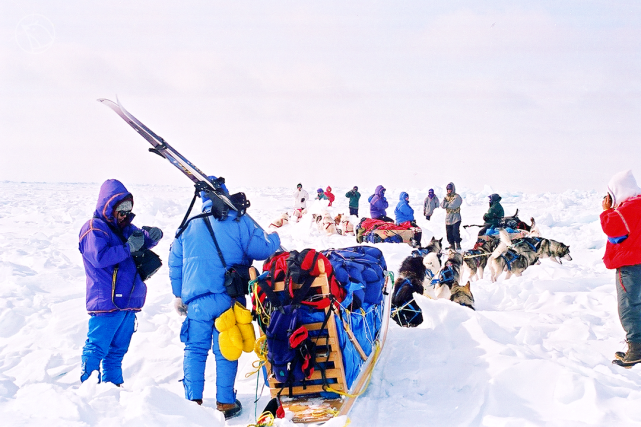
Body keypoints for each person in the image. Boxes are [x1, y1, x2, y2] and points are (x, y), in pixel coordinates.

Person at [168, 184, 280, 418]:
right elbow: (261, 250)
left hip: (196, 300)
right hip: (228, 298)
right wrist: (274, 238)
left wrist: (179, 294)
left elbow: (175, 263)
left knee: (195, 349)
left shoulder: (187, 226)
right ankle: (226, 402)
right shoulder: (237, 220)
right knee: (226, 349)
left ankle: (193, 403)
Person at [79, 179, 163, 386]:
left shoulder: (124, 227)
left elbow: (138, 240)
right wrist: (127, 249)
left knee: (116, 352)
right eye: (121, 208)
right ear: (108, 206)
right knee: (96, 348)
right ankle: (88, 390)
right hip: (107, 302)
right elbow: (99, 257)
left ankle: (113, 391)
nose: (125, 213)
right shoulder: (94, 228)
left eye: (128, 208)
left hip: (127, 301)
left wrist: (151, 238)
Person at [600, 170, 641, 368]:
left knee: (629, 305)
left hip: (631, 265)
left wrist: (607, 210)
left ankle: (636, 347)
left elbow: (613, 228)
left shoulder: (630, 207)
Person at [441, 182, 463, 250]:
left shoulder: (457, 197)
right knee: (449, 233)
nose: (449, 190)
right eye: (448, 189)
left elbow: (453, 205)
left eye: (450, 189)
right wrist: (447, 203)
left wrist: (447, 204)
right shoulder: (446, 197)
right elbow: (442, 205)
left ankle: (458, 245)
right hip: (448, 218)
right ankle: (452, 245)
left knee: (455, 232)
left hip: (455, 217)